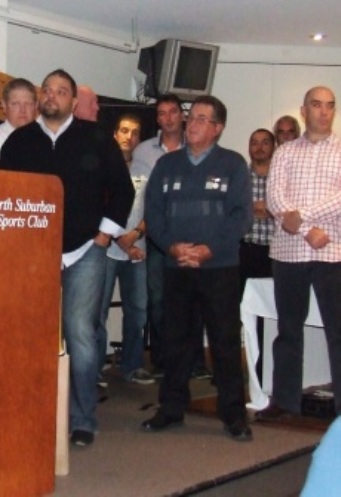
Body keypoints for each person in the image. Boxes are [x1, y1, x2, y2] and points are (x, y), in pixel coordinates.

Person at [0, 69, 134, 447]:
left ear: (74, 101)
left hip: (85, 252)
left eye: (62, 91)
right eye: (48, 90)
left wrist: (104, 236)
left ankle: (82, 419)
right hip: (32, 255)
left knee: (81, 335)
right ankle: (35, 413)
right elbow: (2, 195)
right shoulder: (19, 142)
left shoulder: (96, 139)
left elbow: (122, 191)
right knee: (32, 335)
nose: (53, 96)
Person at [142, 95, 253, 441]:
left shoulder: (233, 165)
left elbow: (241, 218)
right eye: (192, 117)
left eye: (203, 119)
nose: (193, 123)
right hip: (176, 267)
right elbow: (155, 215)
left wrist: (208, 249)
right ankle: (172, 408)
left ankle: (233, 415)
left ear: (217, 129)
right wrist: (171, 247)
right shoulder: (166, 166)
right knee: (175, 341)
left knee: (224, 341)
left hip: (218, 268)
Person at [256, 86, 341, 421]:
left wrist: (301, 218)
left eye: (330, 106)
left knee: (338, 330)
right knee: (288, 329)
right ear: (304, 111)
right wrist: (307, 230)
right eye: (316, 105)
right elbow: (275, 199)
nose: (324, 111)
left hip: (332, 252)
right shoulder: (286, 152)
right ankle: (286, 400)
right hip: (289, 253)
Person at [134, 94, 209, 380]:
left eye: (173, 112)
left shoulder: (198, 148)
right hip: (157, 236)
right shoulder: (143, 152)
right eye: (161, 113)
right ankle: (165, 360)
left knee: (194, 299)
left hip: (193, 235)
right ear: (157, 118)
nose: (167, 118)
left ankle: (195, 361)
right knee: (158, 299)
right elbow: (139, 195)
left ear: (183, 115)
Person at [97, 113, 154, 385]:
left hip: (137, 251)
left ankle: (132, 366)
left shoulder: (146, 171)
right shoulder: (102, 167)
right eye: (123, 130)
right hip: (106, 250)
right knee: (99, 311)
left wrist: (135, 236)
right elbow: (98, 208)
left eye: (134, 132)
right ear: (115, 134)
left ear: (138, 139)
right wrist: (122, 240)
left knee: (138, 310)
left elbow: (154, 211)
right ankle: (94, 369)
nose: (128, 136)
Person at [239, 128, 276, 295]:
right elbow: (233, 210)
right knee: (243, 303)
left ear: (274, 146)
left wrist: (272, 209)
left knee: (277, 307)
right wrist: (253, 207)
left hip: (277, 252)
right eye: (254, 143)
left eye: (265, 142)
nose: (259, 147)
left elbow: (291, 210)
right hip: (246, 251)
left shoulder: (282, 177)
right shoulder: (239, 177)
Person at [0, 77, 37, 168]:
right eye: (15, 104)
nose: (23, 110)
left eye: (28, 104)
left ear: (36, 106)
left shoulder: (44, 142)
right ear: (4, 106)